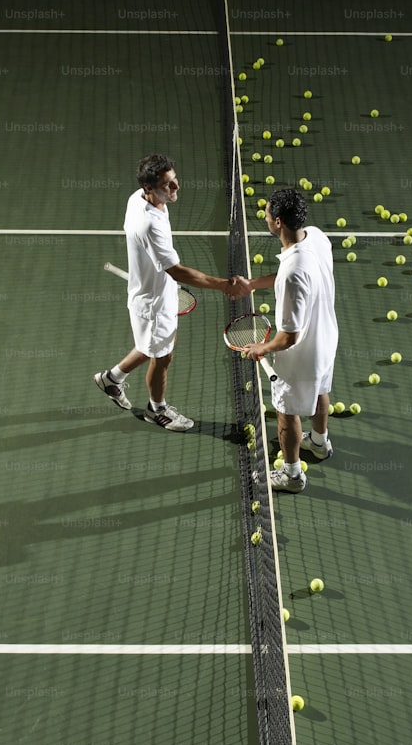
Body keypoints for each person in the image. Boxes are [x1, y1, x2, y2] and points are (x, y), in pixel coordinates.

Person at [94, 153, 250, 431]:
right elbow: (177, 271)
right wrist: (224, 285)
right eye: (168, 184)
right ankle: (157, 410)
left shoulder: (138, 198)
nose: (176, 187)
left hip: (158, 291)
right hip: (152, 303)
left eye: (174, 180)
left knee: (158, 346)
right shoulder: (149, 224)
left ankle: (111, 379)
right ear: (149, 189)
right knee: (162, 356)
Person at [239, 188, 338, 493]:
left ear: (278, 222)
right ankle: (319, 443)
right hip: (326, 338)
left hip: (300, 356)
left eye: (267, 214)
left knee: (286, 412)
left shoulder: (293, 274)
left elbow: (289, 336)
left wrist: (261, 348)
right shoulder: (316, 237)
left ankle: (292, 475)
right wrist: (254, 284)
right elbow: (293, 270)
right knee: (321, 389)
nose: (265, 217)